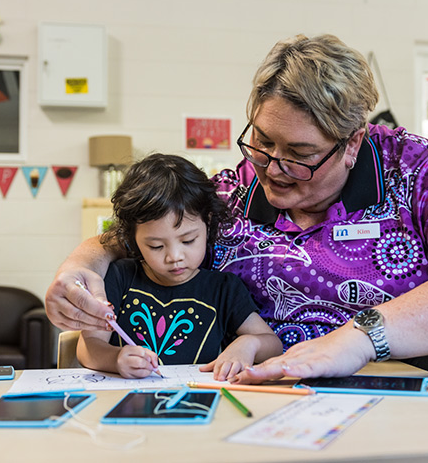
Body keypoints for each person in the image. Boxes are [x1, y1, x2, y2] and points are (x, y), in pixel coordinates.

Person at [46, 34, 428, 409]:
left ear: (353, 141)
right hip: (287, 402)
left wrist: (355, 339)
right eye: (263, 141)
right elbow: (131, 234)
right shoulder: (237, 189)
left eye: (301, 153)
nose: (273, 166)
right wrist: (80, 266)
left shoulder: (422, 171)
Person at [76, 154, 282, 380]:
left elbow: (273, 344)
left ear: (208, 224)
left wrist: (249, 344)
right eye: (156, 246)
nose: (174, 257)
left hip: (198, 399)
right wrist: (115, 359)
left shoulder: (223, 289)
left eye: (188, 241)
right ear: (133, 239)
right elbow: (88, 347)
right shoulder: (119, 276)